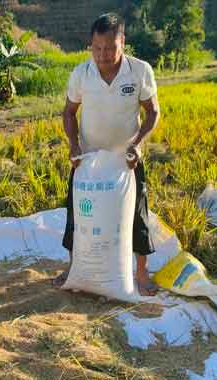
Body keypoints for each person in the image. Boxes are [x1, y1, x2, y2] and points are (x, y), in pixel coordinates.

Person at [55, 13, 161, 296]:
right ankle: (75, 267)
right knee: (78, 214)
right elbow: (68, 112)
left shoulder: (139, 71)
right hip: (87, 161)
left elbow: (153, 112)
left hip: (126, 161)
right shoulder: (81, 74)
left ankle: (141, 273)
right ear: (91, 45)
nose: (103, 55)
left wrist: (137, 144)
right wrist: (74, 146)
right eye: (97, 48)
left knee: (138, 215)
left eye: (110, 48)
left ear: (123, 43)